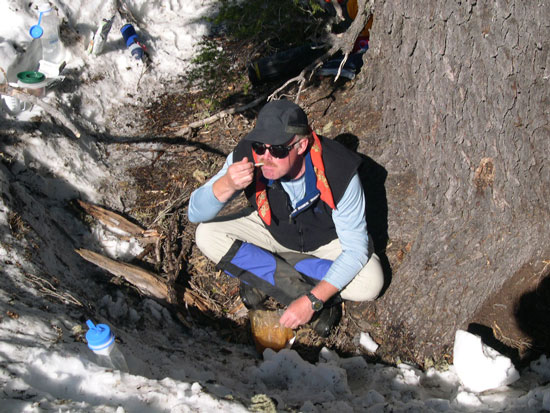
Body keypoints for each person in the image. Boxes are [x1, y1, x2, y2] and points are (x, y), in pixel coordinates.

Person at [188, 99, 384, 337]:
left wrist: (311, 301)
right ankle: (310, 290)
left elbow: (355, 250)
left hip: (327, 243)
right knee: (206, 235)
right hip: (271, 230)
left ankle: (263, 274)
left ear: (301, 146)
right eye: (261, 146)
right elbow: (195, 213)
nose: (266, 157)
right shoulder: (246, 155)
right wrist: (227, 184)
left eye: (278, 150)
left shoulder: (339, 170)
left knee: (371, 281)